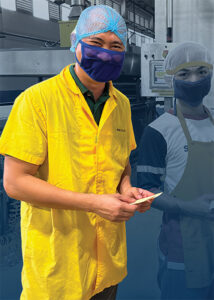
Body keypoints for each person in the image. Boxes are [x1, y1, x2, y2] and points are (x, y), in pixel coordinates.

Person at [0, 5, 153, 300]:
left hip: (107, 263)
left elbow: (121, 163)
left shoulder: (120, 104)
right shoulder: (36, 101)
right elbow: (15, 182)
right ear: (76, 42)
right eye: (96, 43)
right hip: (59, 268)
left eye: (115, 46)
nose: (106, 52)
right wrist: (94, 203)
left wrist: (127, 189)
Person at [137, 42, 214, 299]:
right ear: (172, 79)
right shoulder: (159, 131)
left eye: (201, 72)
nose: (194, 79)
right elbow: (146, 192)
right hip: (183, 248)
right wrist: (190, 207)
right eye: (184, 73)